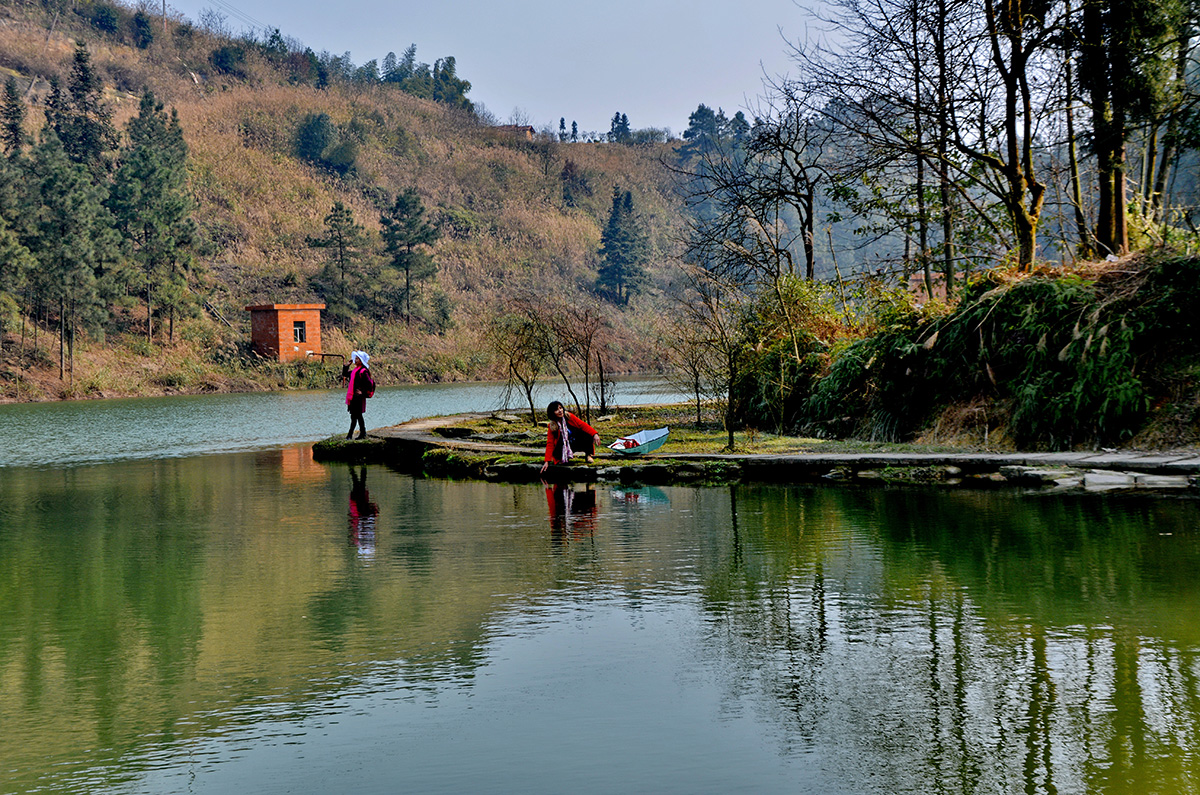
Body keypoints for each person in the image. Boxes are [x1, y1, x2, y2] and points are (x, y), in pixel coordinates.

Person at [541, 400, 600, 472]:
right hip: (562, 446)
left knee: (587, 433)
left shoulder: (569, 417)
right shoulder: (552, 426)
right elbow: (550, 443)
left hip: (574, 441)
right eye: (556, 410)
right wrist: (547, 461)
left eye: (560, 408)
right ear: (552, 413)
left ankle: (588, 455)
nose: (560, 411)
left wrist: (595, 434)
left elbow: (582, 425)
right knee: (559, 444)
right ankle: (563, 457)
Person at [345, 350, 375, 440]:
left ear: (361, 360)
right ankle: (354, 434)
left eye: (357, 358)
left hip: (358, 397)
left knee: (357, 416)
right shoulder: (355, 371)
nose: (355, 360)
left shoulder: (363, 371)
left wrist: (363, 393)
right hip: (353, 397)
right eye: (355, 358)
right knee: (354, 416)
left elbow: (370, 384)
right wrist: (347, 365)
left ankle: (356, 434)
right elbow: (345, 374)